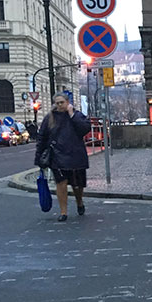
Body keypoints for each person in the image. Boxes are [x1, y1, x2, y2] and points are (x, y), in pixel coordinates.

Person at [34, 93, 92, 222]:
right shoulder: (50, 118)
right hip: (58, 156)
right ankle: (63, 211)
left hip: (76, 155)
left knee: (77, 185)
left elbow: (85, 129)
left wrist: (72, 115)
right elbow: (42, 137)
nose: (59, 105)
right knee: (61, 184)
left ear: (67, 102)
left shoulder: (76, 115)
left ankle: (79, 202)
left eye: (61, 102)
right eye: (57, 103)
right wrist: (39, 158)